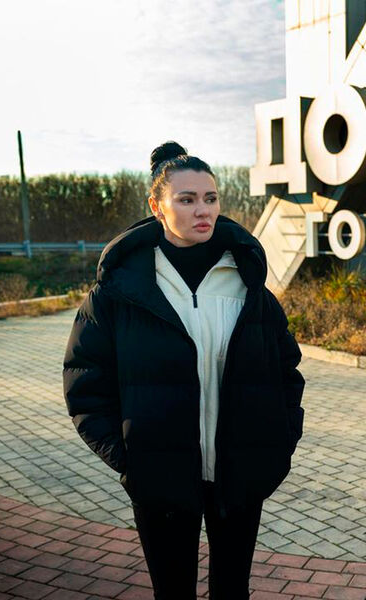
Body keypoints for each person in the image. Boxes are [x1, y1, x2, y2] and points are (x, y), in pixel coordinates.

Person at [63, 141, 305, 599]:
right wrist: (129, 457)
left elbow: (286, 370)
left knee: (232, 591)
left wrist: (278, 442)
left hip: (240, 473)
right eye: (187, 199)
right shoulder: (120, 290)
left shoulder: (248, 283)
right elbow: (85, 381)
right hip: (160, 476)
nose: (203, 210)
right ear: (157, 206)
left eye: (210, 198)